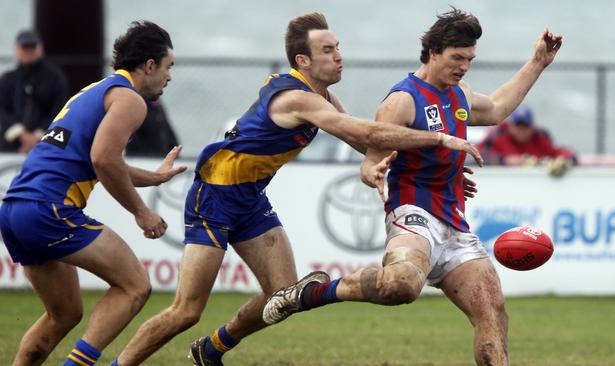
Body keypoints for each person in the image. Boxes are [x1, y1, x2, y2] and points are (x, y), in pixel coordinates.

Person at [113, 12, 483, 366]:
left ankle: (212, 349)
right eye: (327, 51)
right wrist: (439, 140)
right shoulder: (295, 97)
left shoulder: (321, 97)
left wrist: (438, 173)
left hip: (249, 197)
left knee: (282, 296)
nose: (339, 56)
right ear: (303, 61)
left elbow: (368, 147)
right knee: (187, 310)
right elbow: (369, 133)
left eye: (338, 47)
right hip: (214, 194)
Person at [263, 8, 562, 366]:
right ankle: (313, 292)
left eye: (469, 59)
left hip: (453, 224)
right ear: (433, 52)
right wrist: (374, 173)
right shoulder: (402, 101)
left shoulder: (460, 94)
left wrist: (538, 62)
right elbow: (370, 161)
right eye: (456, 58)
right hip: (413, 214)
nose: (464, 66)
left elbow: (497, 109)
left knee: (492, 312)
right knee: (400, 286)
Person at [0, 21, 186, 366]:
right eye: (168, 66)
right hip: (49, 209)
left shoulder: (94, 91)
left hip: (15, 209)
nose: (169, 76)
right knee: (135, 286)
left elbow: (99, 158)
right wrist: (141, 212)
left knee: (64, 314)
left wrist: (155, 177)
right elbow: (104, 158)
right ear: (149, 65)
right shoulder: (131, 100)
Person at [0, 29, 69, 153]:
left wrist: (38, 135)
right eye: (24, 47)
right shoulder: (8, 79)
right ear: (16, 49)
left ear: (40, 48)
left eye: (32, 46)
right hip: (11, 143)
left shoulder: (55, 78)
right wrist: (20, 134)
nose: (28, 51)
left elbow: (60, 108)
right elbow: (2, 110)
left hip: (47, 141)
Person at [478, 105, 577, 176]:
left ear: (533, 127)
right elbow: (478, 157)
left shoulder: (540, 137)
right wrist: (504, 161)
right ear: (510, 126)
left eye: (525, 126)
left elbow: (558, 152)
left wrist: (566, 160)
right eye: (518, 126)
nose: (521, 131)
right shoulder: (497, 136)